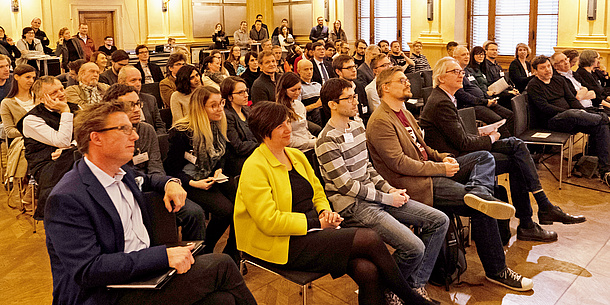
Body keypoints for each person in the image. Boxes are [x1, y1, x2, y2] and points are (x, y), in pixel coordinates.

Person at [45, 99, 257, 305]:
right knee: (221, 265)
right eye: (124, 129)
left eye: (133, 128)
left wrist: (170, 183)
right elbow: (88, 270)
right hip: (108, 293)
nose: (135, 136)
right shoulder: (67, 198)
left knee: (224, 300)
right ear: (96, 138)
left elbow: (148, 179)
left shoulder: (122, 172)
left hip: (143, 275)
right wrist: (162, 257)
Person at [236, 100, 435, 305]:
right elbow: (269, 222)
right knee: (368, 238)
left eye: (287, 122)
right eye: (280, 126)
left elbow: (317, 192)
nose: (288, 129)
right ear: (263, 131)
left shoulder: (294, 155)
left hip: (310, 230)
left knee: (368, 271)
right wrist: (317, 223)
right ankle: (412, 299)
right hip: (279, 243)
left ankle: (407, 298)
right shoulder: (255, 167)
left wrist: (324, 212)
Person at [366, 66, 533, 292]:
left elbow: (423, 148)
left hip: (429, 170)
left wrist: (442, 157)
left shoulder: (403, 112)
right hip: (415, 184)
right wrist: (440, 168)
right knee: (483, 208)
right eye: (402, 80)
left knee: (483, 157)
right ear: (385, 87)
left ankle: (477, 192)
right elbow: (400, 164)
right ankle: (498, 271)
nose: (408, 83)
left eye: (406, 79)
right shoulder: (380, 121)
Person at [420, 57, 586, 243]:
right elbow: (463, 144)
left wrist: (483, 134)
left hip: (461, 150)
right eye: (455, 72)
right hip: (456, 160)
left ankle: (539, 211)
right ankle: (533, 217)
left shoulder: (447, 97)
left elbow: (458, 136)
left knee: (516, 145)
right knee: (517, 159)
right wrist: (490, 137)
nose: (462, 75)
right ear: (441, 78)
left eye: (461, 71)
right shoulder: (441, 101)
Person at [315, 78, 448, 302]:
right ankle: (392, 291)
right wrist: (387, 198)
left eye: (355, 96)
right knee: (414, 247)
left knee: (439, 221)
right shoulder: (326, 140)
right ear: (332, 105)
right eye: (349, 98)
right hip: (352, 205)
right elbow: (346, 185)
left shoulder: (357, 125)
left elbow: (368, 167)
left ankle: (407, 288)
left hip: (375, 196)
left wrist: (389, 189)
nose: (355, 101)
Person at [101, 84, 204, 241]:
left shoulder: (146, 130)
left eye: (138, 103)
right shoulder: (107, 136)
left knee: (194, 213)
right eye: (130, 105)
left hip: (152, 185)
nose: (137, 109)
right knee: (157, 219)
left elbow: (156, 167)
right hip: (125, 192)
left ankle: (194, 257)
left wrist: (166, 185)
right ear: (112, 109)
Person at [165, 86, 241, 259]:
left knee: (243, 201)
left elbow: (222, 155)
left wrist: (219, 169)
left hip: (209, 177)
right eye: (213, 105)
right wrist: (193, 183)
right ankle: (206, 249)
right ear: (200, 108)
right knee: (226, 210)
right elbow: (171, 169)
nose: (220, 108)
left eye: (220, 103)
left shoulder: (217, 125)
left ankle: (233, 252)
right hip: (188, 181)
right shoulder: (182, 132)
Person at [527, 55, 610, 187]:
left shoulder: (559, 80)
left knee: (601, 126)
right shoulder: (533, 85)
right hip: (552, 121)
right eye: (542, 68)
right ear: (535, 71)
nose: (547, 70)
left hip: (572, 118)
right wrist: (571, 113)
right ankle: (605, 118)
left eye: (548, 66)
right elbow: (544, 108)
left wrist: (582, 112)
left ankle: (605, 171)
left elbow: (572, 100)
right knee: (575, 113)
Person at [17, 76, 80, 220]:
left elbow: (88, 133)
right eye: (54, 93)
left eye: (61, 89)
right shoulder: (31, 120)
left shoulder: (75, 107)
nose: (61, 94)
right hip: (46, 164)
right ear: (40, 98)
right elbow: (62, 141)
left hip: (73, 155)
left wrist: (72, 147)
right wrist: (65, 111)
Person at [454, 46, 514, 138]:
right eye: (463, 55)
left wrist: (489, 99)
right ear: (455, 57)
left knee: (509, 115)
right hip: (471, 105)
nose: (466, 57)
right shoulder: (455, 73)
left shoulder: (467, 71)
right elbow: (462, 95)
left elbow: (478, 88)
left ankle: (510, 140)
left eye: (467, 54)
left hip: (483, 101)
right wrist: (485, 102)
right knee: (498, 120)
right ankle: (505, 144)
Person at [220, 77, 258, 177]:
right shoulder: (227, 116)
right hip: (237, 161)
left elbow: (258, 133)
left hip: (254, 154)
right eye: (241, 92)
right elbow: (238, 147)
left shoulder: (246, 110)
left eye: (246, 91)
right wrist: (260, 144)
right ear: (229, 97)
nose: (246, 95)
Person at [275, 72, 318, 153]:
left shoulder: (299, 105)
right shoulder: (280, 110)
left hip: (308, 144)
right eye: (293, 90)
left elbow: (304, 130)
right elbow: (289, 141)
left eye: (299, 89)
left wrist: (313, 139)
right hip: (296, 150)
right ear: (284, 90)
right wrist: (313, 143)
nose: (297, 93)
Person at [117, 65, 166, 134]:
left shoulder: (150, 99)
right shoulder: (117, 101)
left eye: (139, 80)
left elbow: (160, 126)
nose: (138, 84)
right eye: (133, 80)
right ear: (121, 82)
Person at [1, 64, 36, 140]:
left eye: (33, 78)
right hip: (23, 142)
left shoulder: (39, 97)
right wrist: (32, 132)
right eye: (27, 77)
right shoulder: (7, 103)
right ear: (16, 77)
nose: (31, 81)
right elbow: (10, 131)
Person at [481, 42, 518, 109]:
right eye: (492, 50)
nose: (495, 52)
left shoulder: (497, 66)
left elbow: (504, 81)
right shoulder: (484, 66)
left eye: (496, 50)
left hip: (504, 92)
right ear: (486, 51)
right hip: (495, 95)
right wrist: (508, 92)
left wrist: (512, 89)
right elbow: (491, 86)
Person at [297, 59, 323, 127]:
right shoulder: (298, 88)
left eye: (311, 69)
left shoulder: (318, 85)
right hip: (311, 117)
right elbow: (298, 111)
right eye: (306, 69)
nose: (309, 72)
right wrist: (315, 105)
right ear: (299, 71)